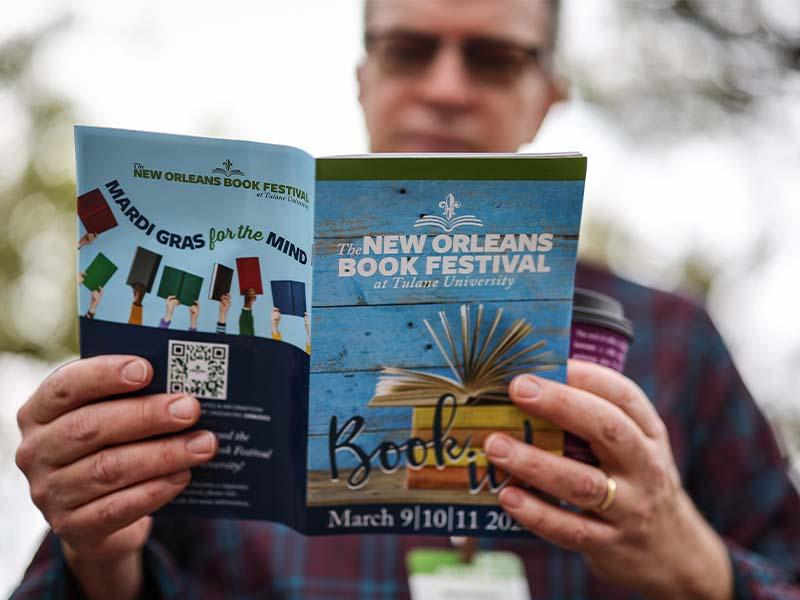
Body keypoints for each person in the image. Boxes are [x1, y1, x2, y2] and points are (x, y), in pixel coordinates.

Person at [12, 1, 800, 598]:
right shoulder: (235, 321)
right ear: (365, 80)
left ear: (548, 95)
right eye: (408, 50)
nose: (445, 88)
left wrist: (693, 561)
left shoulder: (672, 340)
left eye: (493, 59)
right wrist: (100, 555)